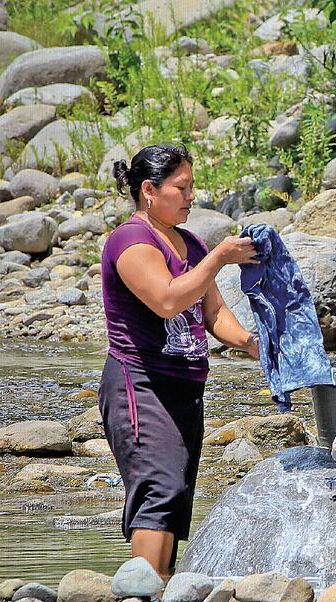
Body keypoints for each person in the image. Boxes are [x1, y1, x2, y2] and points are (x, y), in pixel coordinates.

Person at [100, 144, 259, 576]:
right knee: (159, 487)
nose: (191, 197)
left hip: (185, 386)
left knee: (176, 496)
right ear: (149, 190)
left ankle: (162, 591)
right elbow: (168, 301)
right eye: (182, 188)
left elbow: (213, 313)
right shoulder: (130, 240)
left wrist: (251, 343)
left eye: (192, 188)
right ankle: (141, 598)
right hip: (141, 382)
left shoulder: (190, 242)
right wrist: (219, 258)